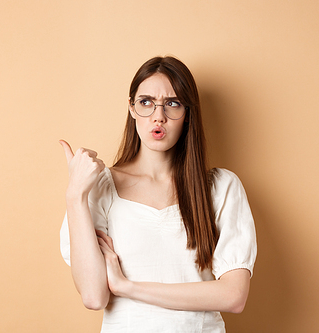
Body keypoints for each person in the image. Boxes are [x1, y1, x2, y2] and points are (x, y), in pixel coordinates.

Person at [59, 56, 257, 332]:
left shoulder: (220, 187)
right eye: (146, 102)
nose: (158, 116)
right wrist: (75, 195)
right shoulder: (101, 188)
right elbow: (94, 296)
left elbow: (234, 296)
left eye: (172, 103)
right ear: (131, 108)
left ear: (188, 112)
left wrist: (128, 287)